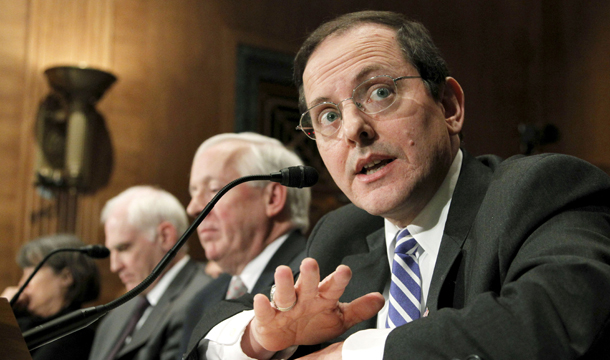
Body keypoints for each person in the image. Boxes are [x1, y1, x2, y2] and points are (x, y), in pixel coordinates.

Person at [184, 10, 610, 360]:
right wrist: (260, 339)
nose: (353, 128)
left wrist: (350, 355)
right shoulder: (342, 233)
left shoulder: (539, 191)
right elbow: (215, 328)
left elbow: (556, 319)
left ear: (448, 106)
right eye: (328, 115)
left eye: (380, 93)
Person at [179, 132, 311, 357]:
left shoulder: (312, 279)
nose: (193, 208)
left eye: (213, 190)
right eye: (193, 193)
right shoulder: (202, 301)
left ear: (272, 198)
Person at [89, 186, 213, 360]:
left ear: (165, 236)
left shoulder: (201, 299)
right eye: (112, 252)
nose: (114, 267)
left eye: (123, 248)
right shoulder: (118, 312)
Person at [1, 234, 101, 360]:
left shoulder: (76, 333)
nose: (21, 283)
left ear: (66, 277)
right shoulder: (23, 320)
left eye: (31, 273)